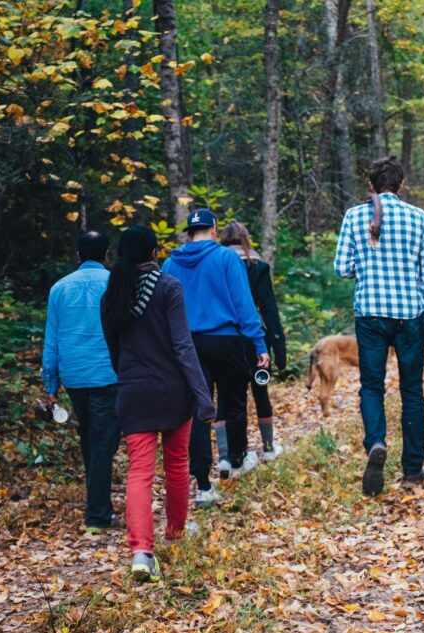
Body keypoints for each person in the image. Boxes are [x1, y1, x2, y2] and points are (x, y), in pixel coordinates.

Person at [100, 225, 214, 582]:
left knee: (139, 472)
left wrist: (131, 377)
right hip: (172, 392)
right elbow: (183, 345)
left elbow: (114, 351)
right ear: (153, 253)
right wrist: (202, 394)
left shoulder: (112, 296)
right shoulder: (168, 287)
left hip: (133, 393)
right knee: (177, 465)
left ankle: (141, 552)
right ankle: (176, 533)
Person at [333, 156, 424, 497]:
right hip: (409, 314)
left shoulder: (354, 216)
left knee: (372, 386)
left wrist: (367, 266)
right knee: (412, 391)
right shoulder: (419, 218)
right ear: (401, 184)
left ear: (371, 185)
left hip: (371, 315)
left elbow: (342, 268)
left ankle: (376, 443)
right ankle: (412, 469)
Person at [162, 208, 270, 509]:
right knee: (233, 401)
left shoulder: (171, 263)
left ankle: (203, 485)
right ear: (213, 229)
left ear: (188, 232)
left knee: (198, 410)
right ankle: (235, 461)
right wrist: (258, 342)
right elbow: (243, 303)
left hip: (187, 344)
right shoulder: (226, 258)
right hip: (226, 340)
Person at [42, 230, 121, 534]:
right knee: (103, 442)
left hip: (74, 376)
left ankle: (99, 504)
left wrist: (51, 384)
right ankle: (98, 514)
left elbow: (52, 340)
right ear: (107, 254)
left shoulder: (59, 288)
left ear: (78, 255)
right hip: (107, 374)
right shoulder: (115, 284)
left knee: (90, 437)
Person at [217, 221, 287, 461]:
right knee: (260, 391)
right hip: (256, 339)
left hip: (224, 338)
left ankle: (227, 455)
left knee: (226, 396)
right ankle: (268, 448)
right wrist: (279, 346)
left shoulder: (216, 265)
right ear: (246, 239)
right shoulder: (258, 266)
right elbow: (268, 308)